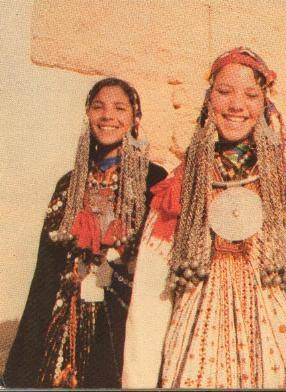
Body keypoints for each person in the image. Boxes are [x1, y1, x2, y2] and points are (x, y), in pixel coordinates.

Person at [122, 47, 286, 389]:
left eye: (251, 94)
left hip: (271, 341)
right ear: (209, 100)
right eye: (224, 92)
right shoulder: (182, 180)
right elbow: (150, 289)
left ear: (265, 101)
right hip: (194, 342)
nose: (237, 105)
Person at [3, 78, 167, 388]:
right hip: (68, 314)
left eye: (120, 108)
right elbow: (46, 271)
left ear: (135, 118)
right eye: (98, 107)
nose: (108, 116)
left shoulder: (153, 180)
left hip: (124, 314)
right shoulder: (70, 184)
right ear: (87, 114)